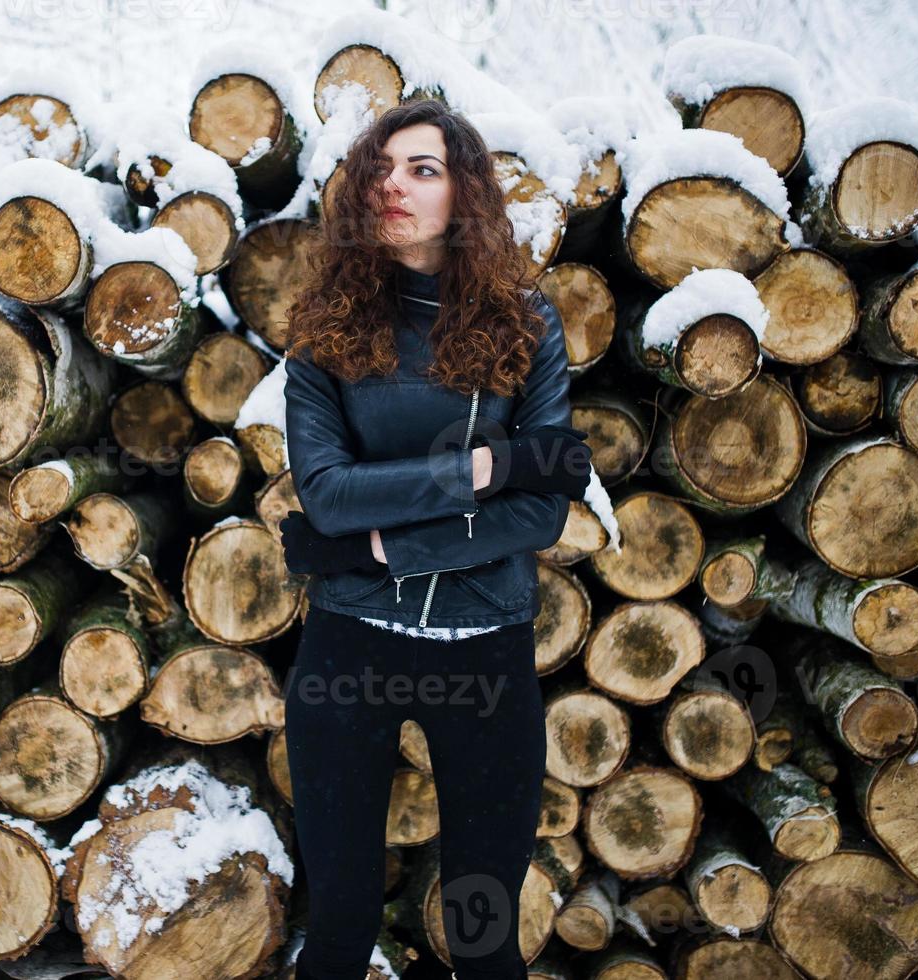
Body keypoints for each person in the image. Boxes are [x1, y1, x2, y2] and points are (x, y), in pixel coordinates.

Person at [278, 98, 592, 979]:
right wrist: (488, 470)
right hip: (349, 652)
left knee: (485, 938)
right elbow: (331, 497)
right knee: (337, 929)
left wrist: (386, 551)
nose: (395, 186)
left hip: (485, 648)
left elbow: (544, 511)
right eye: (381, 168)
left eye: (423, 168)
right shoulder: (323, 332)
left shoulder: (526, 322)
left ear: (465, 191)